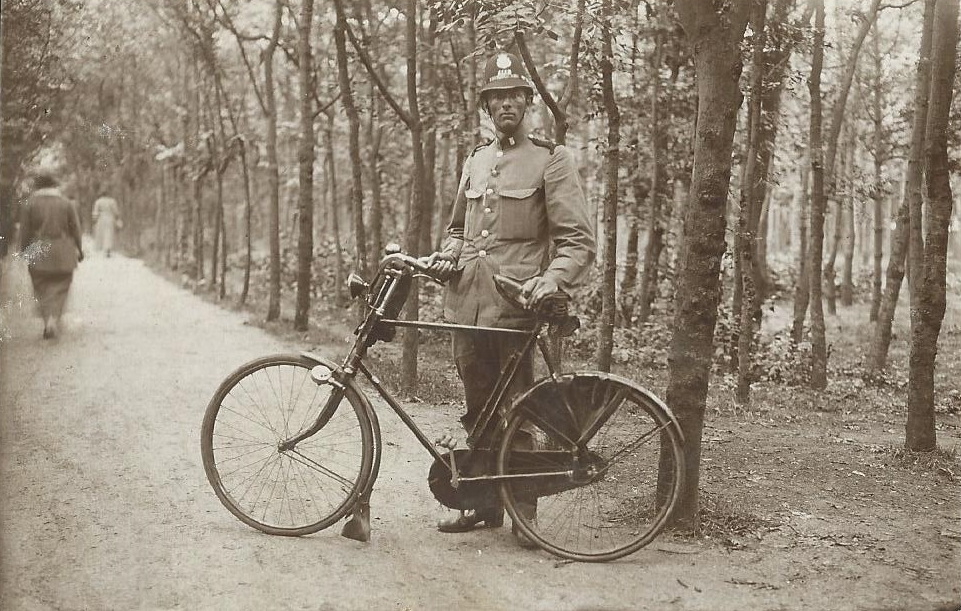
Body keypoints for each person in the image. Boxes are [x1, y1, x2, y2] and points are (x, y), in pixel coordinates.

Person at [428, 51, 596, 546]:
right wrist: (447, 255)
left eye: (513, 95)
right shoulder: (476, 160)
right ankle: (483, 504)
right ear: (486, 106)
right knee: (477, 406)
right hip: (467, 304)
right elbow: (458, 228)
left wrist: (553, 279)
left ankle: (523, 507)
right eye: (495, 97)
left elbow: (576, 240)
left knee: (520, 406)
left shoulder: (551, 159)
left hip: (516, 304)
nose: (505, 104)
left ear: (527, 102)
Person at [18, 169, 84, 339]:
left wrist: (24, 250)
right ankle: (54, 318)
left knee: (41, 287)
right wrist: (79, 248)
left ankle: (48, 320)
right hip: (63, 251)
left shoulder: (29, 204)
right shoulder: (66, 203)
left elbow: (25, 231)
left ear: (37, 186)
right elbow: (75, 229)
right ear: (54, 185)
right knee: (62, 286)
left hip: (38, 251)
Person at [92, 191, 121, 256]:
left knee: (103, 233)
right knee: (109, 233)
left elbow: (95, 212)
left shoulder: (98, 201)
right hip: (110, 218)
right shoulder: (112, 201)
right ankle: (108, 248)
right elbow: (115, 211)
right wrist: (117, 217)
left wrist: (94, 219)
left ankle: (103, 247)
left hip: (101, 219)